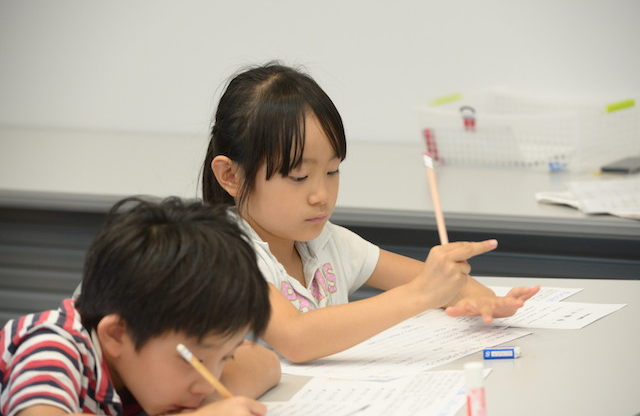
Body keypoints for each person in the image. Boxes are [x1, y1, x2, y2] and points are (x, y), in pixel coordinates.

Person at [201, 62, 541, 364]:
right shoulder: (226, 255)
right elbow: (296, 339)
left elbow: (436, 283)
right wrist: (421, 294)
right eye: (299, 177)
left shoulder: (328, 243)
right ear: (231, 176)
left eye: (332, 171)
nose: (322, 195)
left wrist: (484, 300)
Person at [0, 196, 279, 416]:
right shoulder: (52, 344)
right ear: (117, 335)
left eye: (225, 358)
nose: (208, 384)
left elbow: (266, 363)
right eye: (195, 361)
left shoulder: (144, 353)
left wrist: (212, 401)